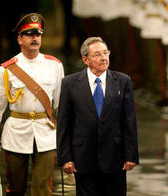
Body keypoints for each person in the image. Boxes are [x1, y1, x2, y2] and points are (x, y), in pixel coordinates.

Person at [0, 13, 64, 196]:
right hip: (16, 133)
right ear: (20, 39)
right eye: (29, 34)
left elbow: (61, 105)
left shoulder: (55, 66)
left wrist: (66, 136)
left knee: (43, 189)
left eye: (38, 34)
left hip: (46, 133)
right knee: (15, 189)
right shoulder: (6, 69)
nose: (35, 38)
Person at [57, 37, 139, 196]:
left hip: (115, 157)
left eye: (105, 53)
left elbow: (129, 121)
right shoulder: (70, 83)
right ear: (85, 59)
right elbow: (64, 123)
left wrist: (131, 156)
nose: (103, 58)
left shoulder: (122, 81)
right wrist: (65, 158)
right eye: (97, 55)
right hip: (83, 157)